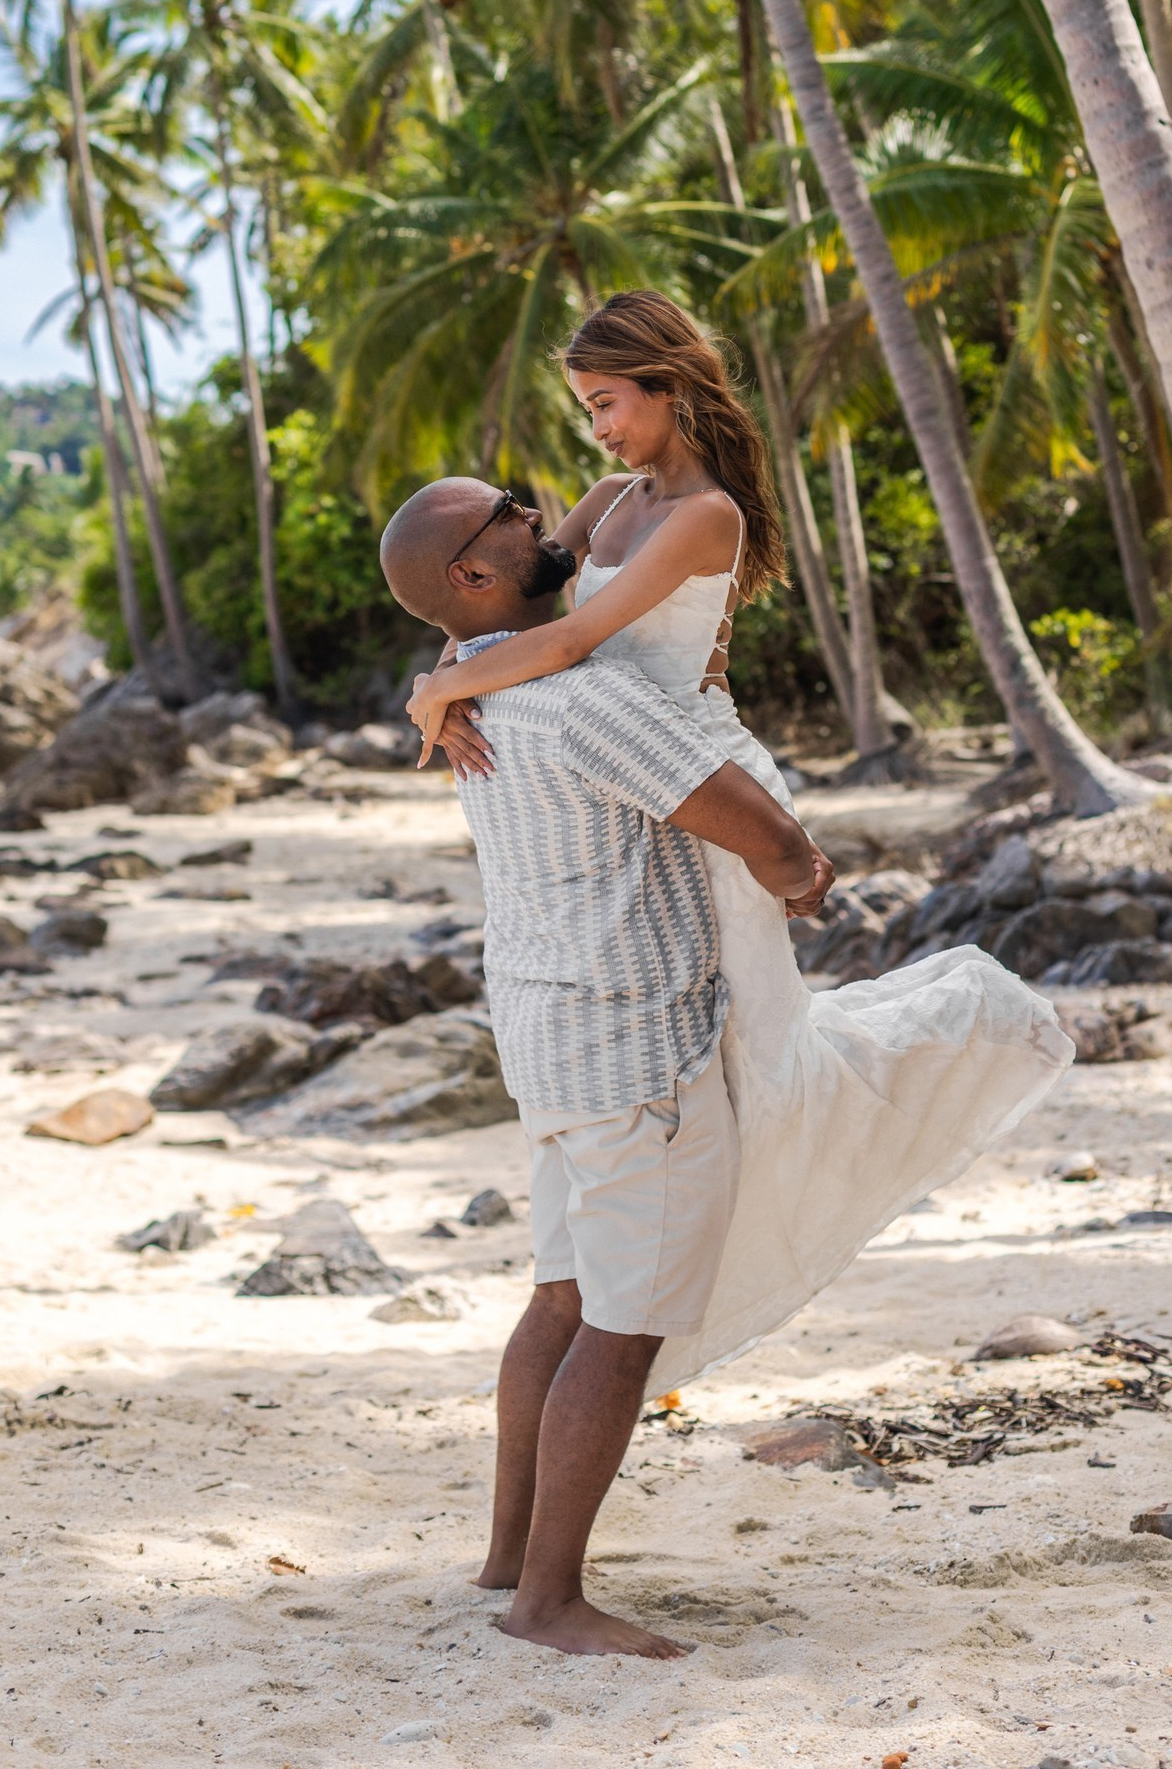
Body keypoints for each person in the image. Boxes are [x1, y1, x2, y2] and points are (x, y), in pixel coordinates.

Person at [405, 291, 1072, 1396]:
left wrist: (445, 692)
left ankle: (710, 1213)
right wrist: (440, 675)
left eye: (607, 403)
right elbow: (492, 602)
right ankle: (657, 1226)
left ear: (668, 387)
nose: (597, 430)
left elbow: (572, 637)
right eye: (584, 409)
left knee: (758, 1048)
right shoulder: (611, 499)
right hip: (623, 766)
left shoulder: (704, 514)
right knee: (712, 1052)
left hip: (693, 768)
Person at [380, 472, 836, 1661]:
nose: (540, 518)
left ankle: (506, 1560)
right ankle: (547, 1601)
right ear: (474, 574)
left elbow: (552, 551)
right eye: (510, 513)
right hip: (637, 1053)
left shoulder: (477, 694)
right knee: (620, 1332)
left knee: (561, 1300)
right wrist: (800, 875)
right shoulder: (583, 699)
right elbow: (753, 826)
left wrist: (439, 672)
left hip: (547, 1041)